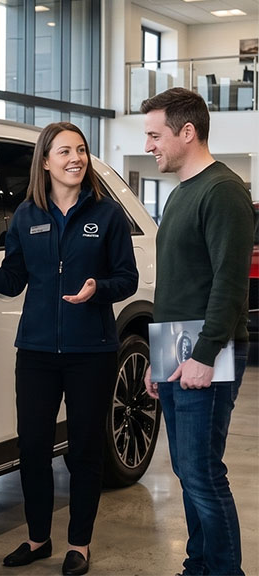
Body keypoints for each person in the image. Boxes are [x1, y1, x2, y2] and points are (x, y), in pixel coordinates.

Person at [0, 122, 139, 576]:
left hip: (91, 352)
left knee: (83, 451)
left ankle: (79, 543)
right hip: (36, 352)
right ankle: (37, 539)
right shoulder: (26, 217)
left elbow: (127, 279)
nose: (76, 158)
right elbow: (12, 281)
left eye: (81, 150)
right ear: (45, 161)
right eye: (65, 152)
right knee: (34, 448)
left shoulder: (108, 215)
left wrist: (99, 288)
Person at [141, 87, 252, 576]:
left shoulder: (223, 191)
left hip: (208, 349)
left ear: (188, 132)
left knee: (203, 474)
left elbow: (228, 285)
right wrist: (157, 358)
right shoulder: (183, 190)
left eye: (154, 134)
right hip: (176, 346)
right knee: (187, 471)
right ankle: (198, 566)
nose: (148, 145)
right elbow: (180, 285)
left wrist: (205, 355)